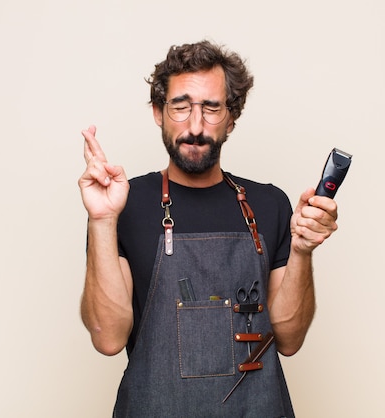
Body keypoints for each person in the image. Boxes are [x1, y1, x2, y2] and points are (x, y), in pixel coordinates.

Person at [78, 40, 339, 417]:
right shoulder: (123, 204)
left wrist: (301, 249)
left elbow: (290, 339)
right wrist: (102, 221)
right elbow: (108, 337)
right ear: (158, 112)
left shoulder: (270, 205)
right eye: (180, 107)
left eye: (211, 108)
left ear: (231, 117)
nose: (195, 126)